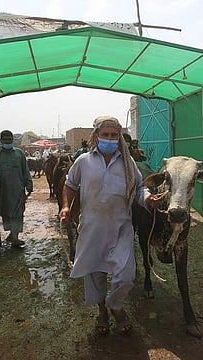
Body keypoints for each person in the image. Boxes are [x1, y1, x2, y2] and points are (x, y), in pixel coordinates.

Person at [59, 115, 159, 336]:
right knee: (94, 273)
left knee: (126, 275)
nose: (110, 139)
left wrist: (148, 198)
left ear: (119, 138)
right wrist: (66, 207)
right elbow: (69, 185)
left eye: (114, 135)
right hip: (92, 227)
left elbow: (140, 187)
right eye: (106, 135)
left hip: (121, 227)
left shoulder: (128, 162)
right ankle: (102, 310)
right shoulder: (83, 161)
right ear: (96, 136)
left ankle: (116, 305)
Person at [0, 130, 33, 248]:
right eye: (5, 140)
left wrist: (29, 185)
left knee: (18, 212)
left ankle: (15, 237)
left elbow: (25, 170)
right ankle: (12, 233)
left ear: (13, 140)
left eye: (10, 140)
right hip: (3, 191)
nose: (8, 142)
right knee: (6, 213)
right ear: (1, 140)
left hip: (17, 190)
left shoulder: (19, 154)